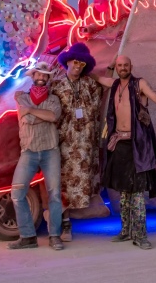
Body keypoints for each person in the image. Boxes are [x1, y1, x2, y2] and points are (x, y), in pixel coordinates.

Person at [91, 55, 156, 250]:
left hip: (137, 145)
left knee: (137, 193)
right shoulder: (114, 84)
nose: (123, 68)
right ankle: (126, 231)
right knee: (124, 193)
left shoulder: (140, 84)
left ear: (131, 66)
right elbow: (96, 77)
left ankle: (140, 236)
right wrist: (108, 64)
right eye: (120, 65)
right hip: (119, 144)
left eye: (126, 65)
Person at [50, 42, 103, 242]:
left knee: (81, 184)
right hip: (65, 144)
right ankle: (65, 223)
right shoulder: (56, 85)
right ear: (68, 62)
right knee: (63, 184)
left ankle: (73, 219)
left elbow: (97, 108)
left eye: (82, 62)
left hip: (85, 145)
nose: (78, 65)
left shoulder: (90, 84)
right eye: (75, 61)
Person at [8, 62, 64, 251]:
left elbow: (53, 116)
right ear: (33, 77)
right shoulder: (21, 97)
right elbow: (28, 119)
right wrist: (41, 115)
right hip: (29, 151)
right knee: (17, 194)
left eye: (45, 75)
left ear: (48, 79)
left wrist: (31, 111)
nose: (41, 77)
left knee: (55, 194)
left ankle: (55, 236)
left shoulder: (54, 100)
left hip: (50, 150)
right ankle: (27, 236)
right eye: (38, 74)